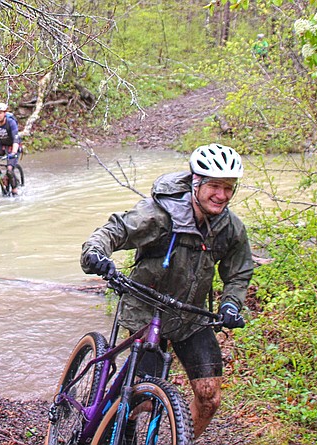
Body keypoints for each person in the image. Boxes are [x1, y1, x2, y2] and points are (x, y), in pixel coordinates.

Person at [80, 143, 253, 439]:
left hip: (191, 317)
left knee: (209, 396)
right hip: (147, 310)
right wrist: (96, 253)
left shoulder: (230, 227)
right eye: (214, 186)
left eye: (229, 188)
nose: (222, 195)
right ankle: (125, 430)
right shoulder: (160, 215)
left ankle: (181, 437)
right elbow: (114, 231)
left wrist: (231, 305)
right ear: (196, 183)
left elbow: (238, 272)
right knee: (143, 399)